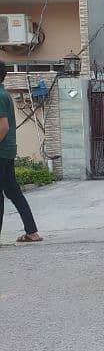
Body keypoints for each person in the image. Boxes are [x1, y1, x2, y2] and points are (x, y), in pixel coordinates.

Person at [0, 60, 43, 243]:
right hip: (7, 150)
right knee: (13, 191)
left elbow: (3, 126)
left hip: (1, 151)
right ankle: (32, 232)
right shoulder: (4, 94)